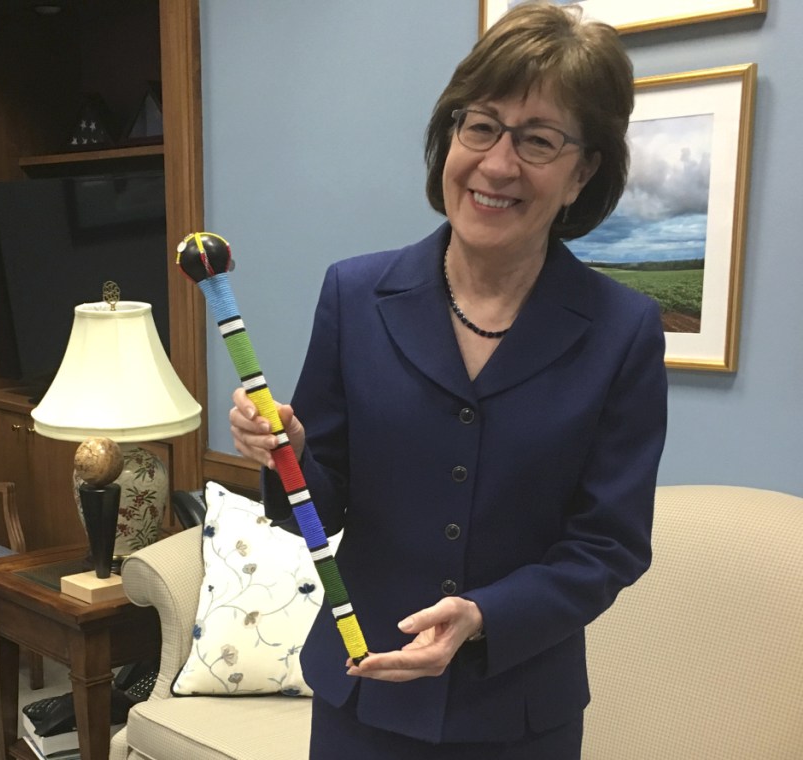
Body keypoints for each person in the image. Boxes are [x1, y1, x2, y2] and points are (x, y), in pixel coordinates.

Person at [229, 3, 667, 759]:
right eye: (482, 126)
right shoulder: (354, 295)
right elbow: (319, 505)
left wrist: (484, 613)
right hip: (362, 691)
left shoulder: (623, 330)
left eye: (537, 140)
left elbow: (608, 546)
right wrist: (286, 452)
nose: (498, 164)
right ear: (450, 138)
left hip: (520, 712)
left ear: (582, 171)